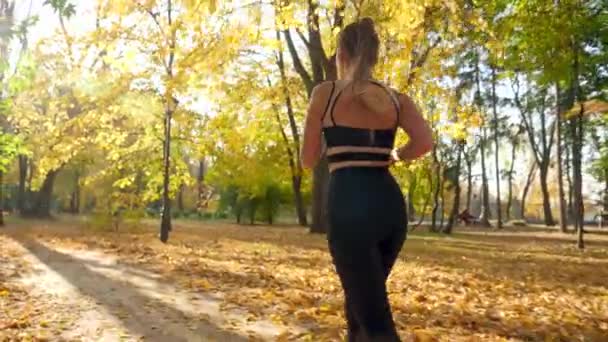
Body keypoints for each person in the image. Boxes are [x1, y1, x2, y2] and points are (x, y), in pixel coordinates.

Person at [300, 18, 433, 341]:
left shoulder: (325, 93)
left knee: (375, 323)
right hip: (389, 208)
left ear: (341, 54)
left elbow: (308, 160)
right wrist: (395, 155)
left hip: (349, 207)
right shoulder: (395, 98)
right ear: (373, 57)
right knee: (360, 305)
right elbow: (424, 142)